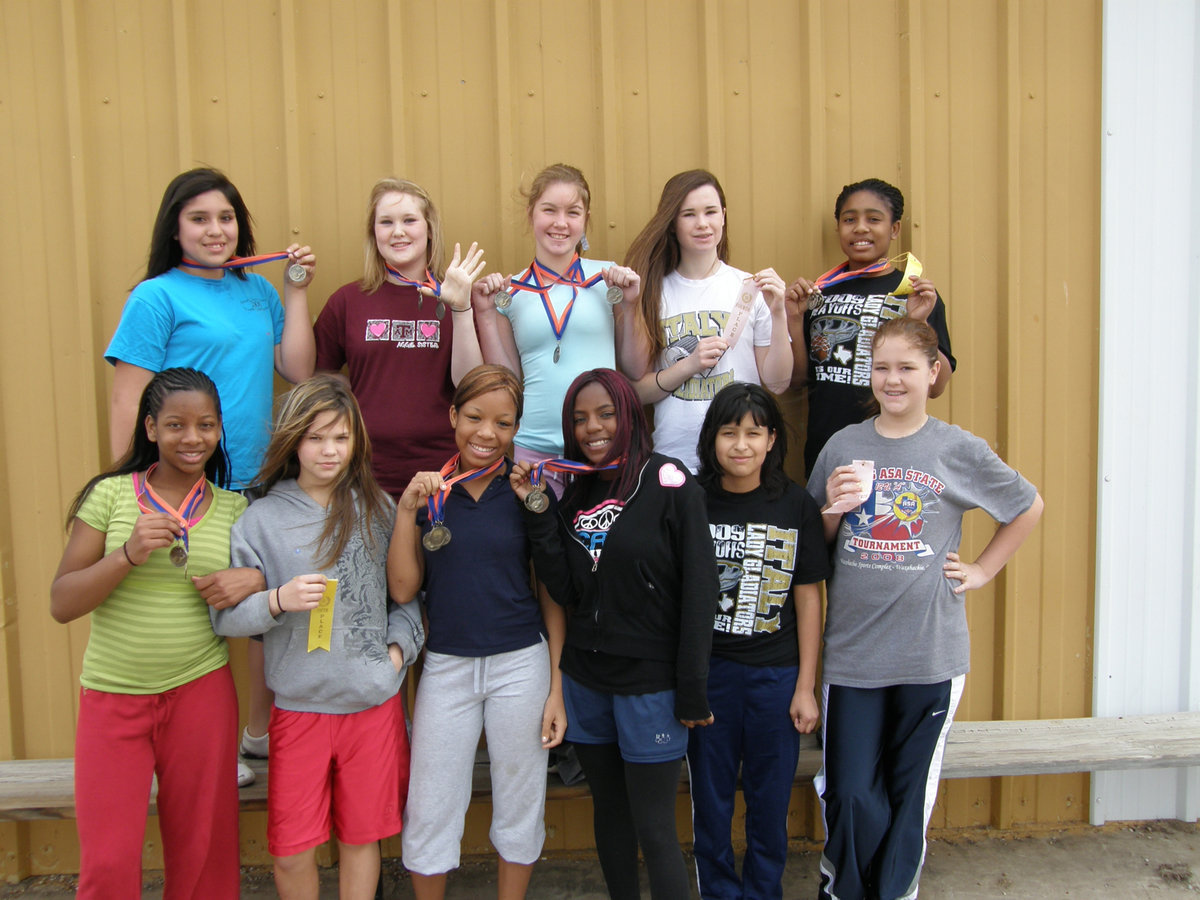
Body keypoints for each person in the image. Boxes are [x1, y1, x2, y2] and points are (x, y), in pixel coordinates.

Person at [807, 318, 1043, 900]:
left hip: (930, 651)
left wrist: (983, 569)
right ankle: (846, 888)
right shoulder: (844, 445)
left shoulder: (955, 448)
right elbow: (814, 545)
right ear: (868, 372)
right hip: (855, 653)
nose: (893, 379)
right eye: (882, 367)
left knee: (911, 791)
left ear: (933, 373)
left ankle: (894, 892)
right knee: (852, 790)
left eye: (907, 368)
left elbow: (1028, 506)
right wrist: (834, 508)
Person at [104, 166, 318, 779]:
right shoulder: (155, 296)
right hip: (184, 486)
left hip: (258, 480)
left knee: (256, 609)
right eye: (199, 219)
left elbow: (298, 370)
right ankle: (209, 751)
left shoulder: (258, 292)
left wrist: (297, 289)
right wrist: (129, 487)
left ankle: (257, 733)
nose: (215, 230)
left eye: (225, 218)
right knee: (194, 614)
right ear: (175, 229)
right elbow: (129, 398)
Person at [210, 375, 423, 900]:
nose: (329, 450)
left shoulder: (377, 509)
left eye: (342, 438)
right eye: (316, 437)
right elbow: (228, 620)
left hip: (371, 707)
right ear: (292, 442)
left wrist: (396, 654)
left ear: (357, 444)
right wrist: (277, 600)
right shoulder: (258, 521)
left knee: (361, 841)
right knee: (291, 851)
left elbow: (408, 599)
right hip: (300, 711)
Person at [510, 368, 720, 900]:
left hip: (651, 686)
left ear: (629, 414)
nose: (592, 428)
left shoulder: (670, 482)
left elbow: (701, 590)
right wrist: (538, 513)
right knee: (611, 817)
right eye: (580, 419)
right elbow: (561, 587)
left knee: (654, 827)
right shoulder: (574, 494)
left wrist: (692, 686)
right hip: (587, 680)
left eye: (605, 414)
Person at [51, 368, 251, 899]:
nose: (192, 438)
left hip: (201, 694)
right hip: (114, 696)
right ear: (150, 429)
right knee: (109, 860)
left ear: (219, 431)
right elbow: (62, 602)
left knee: (203, 854)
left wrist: (253, 578)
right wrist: (127, 554)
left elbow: (268, 591)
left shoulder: (236, 510)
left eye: (206, 425)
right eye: (176, 425)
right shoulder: (111, 497)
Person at [387, 364, 565, 900]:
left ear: (517, 429)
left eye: (503, 423)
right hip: (446, 664)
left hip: (521, 664)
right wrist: (404, 511)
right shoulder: (428, 493)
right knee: (431, 804)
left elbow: (553, 593)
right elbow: (401, 591)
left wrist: (557, 685)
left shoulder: (528, 491)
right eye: (475, 417)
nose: (487, 433)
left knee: (520, 799)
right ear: (453, 416)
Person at [687, 382, 830, 900]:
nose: (741, 444)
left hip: (776, 677)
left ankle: (763, 890)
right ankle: (720, 892)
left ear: (772, 440)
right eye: (729, 432)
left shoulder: (794, 505)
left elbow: (809, 597)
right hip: (711, 678)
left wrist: (805, 686)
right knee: (712, 798)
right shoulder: (691, 502)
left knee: (769, 803)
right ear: (712, 440)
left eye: (753, 432)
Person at [473, 163, 642, 496]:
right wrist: (485, 313)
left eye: (573, 212)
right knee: (544, 545)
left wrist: (630, 305)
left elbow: (635, 367)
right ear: (531, 214)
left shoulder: (610, 278)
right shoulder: (511, 291)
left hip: (601, 442)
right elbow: (505, 378)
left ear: (586, 219)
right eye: (549, 210)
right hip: (536, 449)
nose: (561, 223)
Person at [314, 177, 487, 499]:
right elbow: (319, 378)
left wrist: (460, 307)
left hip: (443, 471)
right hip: (365, 474)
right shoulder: (348, 300)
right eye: (386, 222)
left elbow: (471, 387)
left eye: (409, 220)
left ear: (429, 229)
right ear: (373, 232)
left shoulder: (457, 298)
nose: (398, 231)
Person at [623, 169, 792, 473]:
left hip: (740, 462)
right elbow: (637, 391)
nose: (702, 223)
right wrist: (689, 365)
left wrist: (779, 313)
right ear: (672, 223)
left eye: (710, 212)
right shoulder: (652, 293)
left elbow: (778, 383)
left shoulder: (749, 288)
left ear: (723, 216)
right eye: (689, 214)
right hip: (675, 459)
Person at [785, 177, 956, 475]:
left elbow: (937, 386)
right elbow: (798, 378)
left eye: (873, 219)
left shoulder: (913, 294)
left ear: (894, 229)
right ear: (838, 227)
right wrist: (794, 317)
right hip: (828, 447)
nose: (860, 228)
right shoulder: (819, 294)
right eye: (849, 219)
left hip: (893, 449)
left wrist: (919, 322)